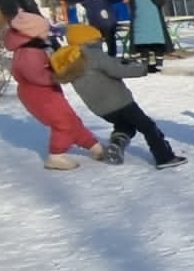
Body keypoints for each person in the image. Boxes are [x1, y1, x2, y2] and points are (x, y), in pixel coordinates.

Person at [54, 24, 186, 169]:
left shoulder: (72, 60)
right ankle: (164, 157)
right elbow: (117, 70)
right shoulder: (93, 54)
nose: (100, 42)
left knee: (125, 126)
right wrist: (143, 69)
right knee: (148, 127)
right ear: (90, 41)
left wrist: (120, 61)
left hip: (100, 109)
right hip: (121, 102)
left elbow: (106, 65)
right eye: (97, 39)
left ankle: (116, 144)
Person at [1, 13, 103, 170]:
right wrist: (59, 75)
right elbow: (36, 75)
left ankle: (93, 146)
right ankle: (56, 156)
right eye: (44, 30)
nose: (47, 32)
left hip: (45, 92)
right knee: (62, 122)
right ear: (33, 32)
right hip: (38, 94)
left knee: (70, 119)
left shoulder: (35, 47)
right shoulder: (29, 52)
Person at [57, 0, 126, 56]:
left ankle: (112, 58)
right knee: (94, 41)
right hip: (94, 24)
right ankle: (98, 58)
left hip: (108, 23)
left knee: (110, 38)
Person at [126, 0, 174, 69]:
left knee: (158, 44)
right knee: (144, 45)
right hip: (141, 24)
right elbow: (132, 7)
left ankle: (159, 63)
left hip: (155, 25)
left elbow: (160, 2)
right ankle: (145, 64)